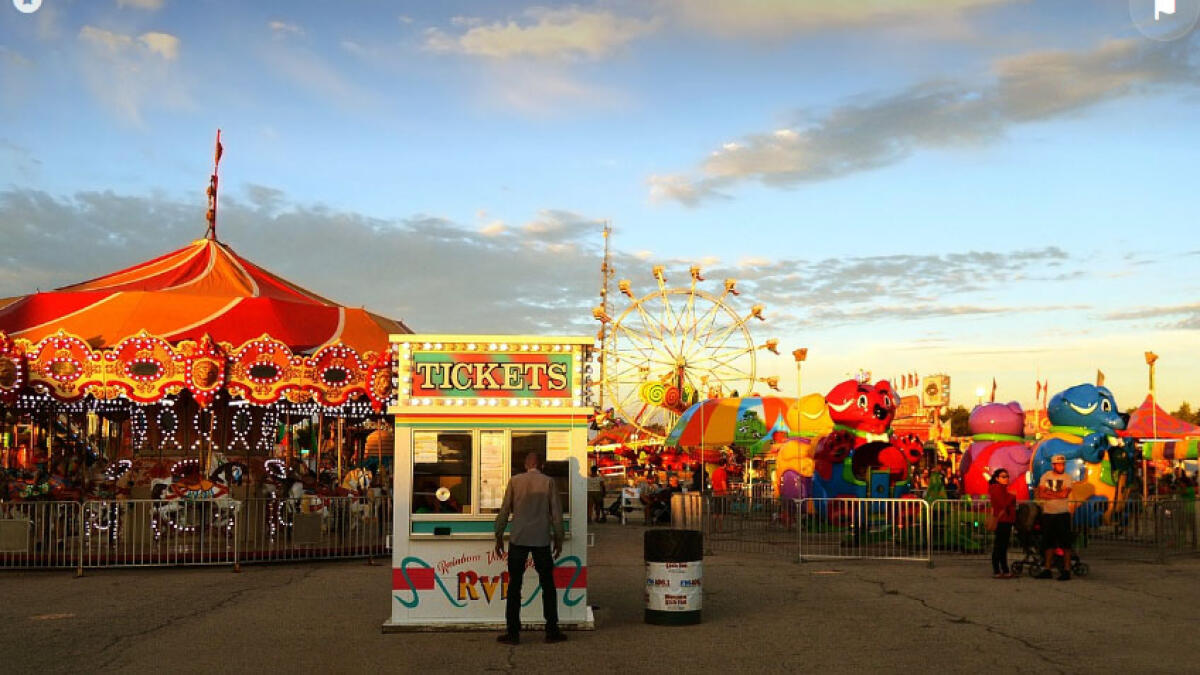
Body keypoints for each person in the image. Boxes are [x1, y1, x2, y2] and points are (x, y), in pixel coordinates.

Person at [494, 452, 566, 645]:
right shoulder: (548, 482)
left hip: (518, 538)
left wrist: (498, 535)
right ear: (540, 465)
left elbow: (504, 510)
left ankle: (513, 632)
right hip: (541, 540)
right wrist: (559, 539)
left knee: (515, 586)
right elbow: (557, 514)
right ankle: (552, 630)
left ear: (526, 464)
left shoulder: (515, 481)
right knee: (548, 586)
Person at [1035, 454, 1075, 580]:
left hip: (1062, 513)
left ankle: (1067, 569)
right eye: (1058, 464)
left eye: (1063, 464)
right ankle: (1047, 569)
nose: (1061, 466)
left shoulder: (1067, 478)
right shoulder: (1046, 476)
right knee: (1048, 543)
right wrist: (1057, 494)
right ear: (1053, 465)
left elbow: (1065, 494)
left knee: (1065, 543)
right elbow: (1041, 493)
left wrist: (1050, 493)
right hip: (1048, 514)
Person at [988, 469, 1017, 578]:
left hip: (1006, 520)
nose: (1006, 478)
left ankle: (1004, 569)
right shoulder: (996, 488)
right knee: (1000, 546)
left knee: (1002, 546)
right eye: (1003, 476)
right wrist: (1012, 496)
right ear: (997, 478)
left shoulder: (1001, 489)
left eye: (1007, 476)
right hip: (1002, 520)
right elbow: (1003, 503)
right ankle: (998, 570)